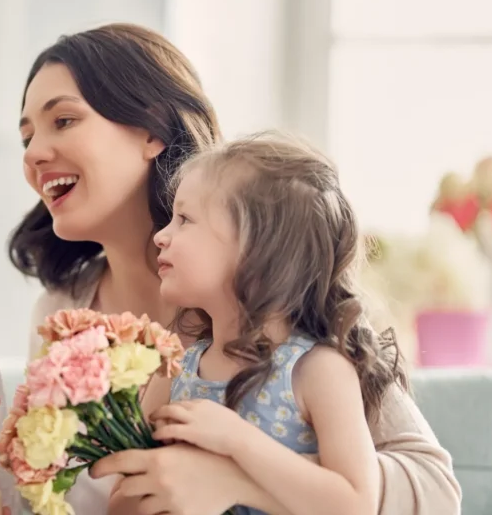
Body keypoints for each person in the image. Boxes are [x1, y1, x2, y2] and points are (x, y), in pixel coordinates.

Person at [11, 23, 461, 514]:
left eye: (64, 121)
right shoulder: (59, 315)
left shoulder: (284, 313)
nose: (33, 154)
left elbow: (437, 495)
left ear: (151, 131)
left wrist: (235, 477)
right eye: (27, 135)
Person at [144, 132, 403, 515]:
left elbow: (356, 504)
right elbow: (133, 487)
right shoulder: (175, 366)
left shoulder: (318, 371)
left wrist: (236, 440)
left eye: (185, 219)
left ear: (259, 251)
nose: (161, 236)